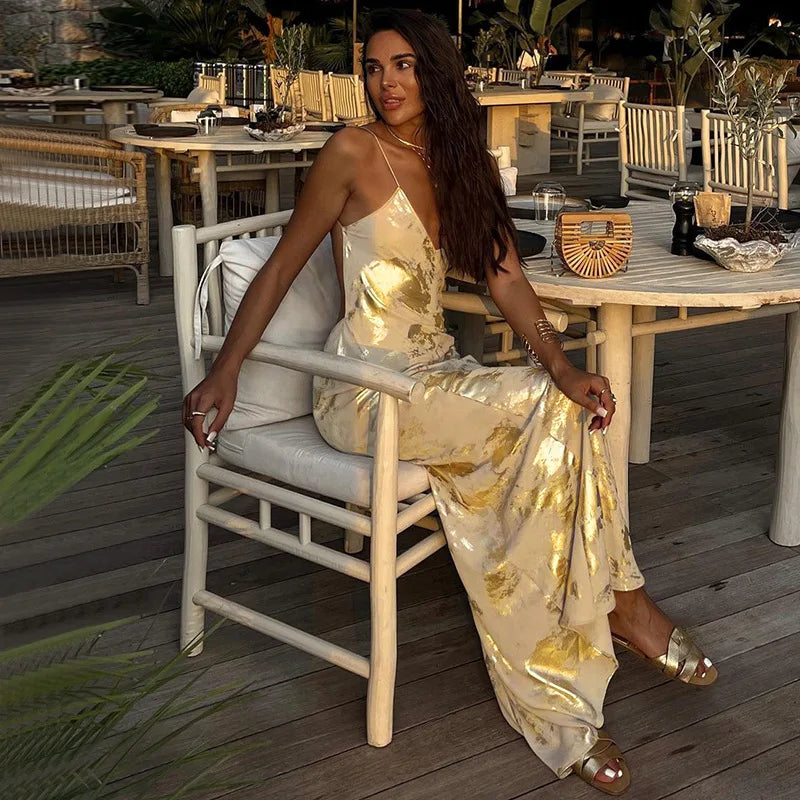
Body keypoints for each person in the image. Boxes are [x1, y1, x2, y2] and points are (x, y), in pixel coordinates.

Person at [182, 9, 717, 794]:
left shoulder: (459, 161)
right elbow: (281, 268)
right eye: (373, 68)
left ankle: (592, 639)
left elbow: (506, 277)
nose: (386, 83)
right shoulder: (351, 153)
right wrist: (226, 368)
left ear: (433, 72)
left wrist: (563, 366)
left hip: (435, 376)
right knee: (546, 413)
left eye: (402, 65)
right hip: (364, 389)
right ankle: (618, 612)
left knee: (565, 411)